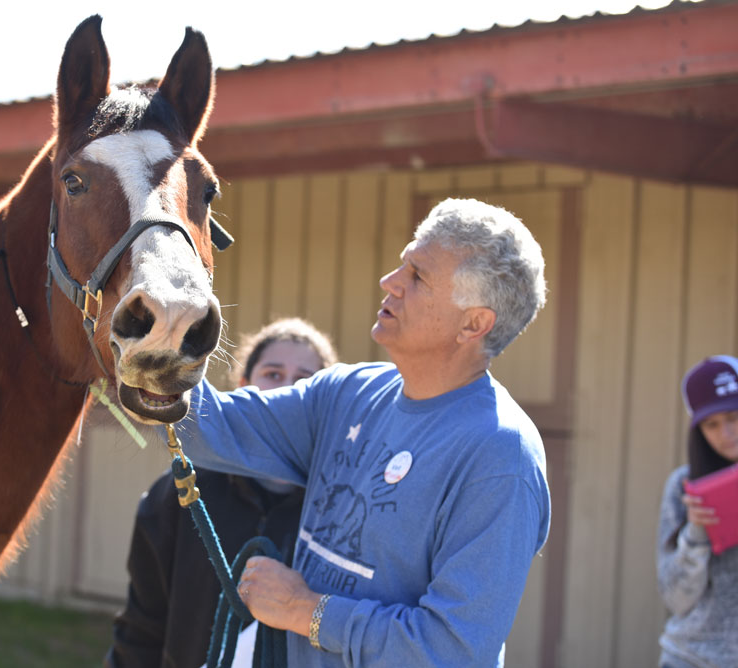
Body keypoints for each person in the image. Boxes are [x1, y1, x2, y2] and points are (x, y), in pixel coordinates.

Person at [173, 197, 550, 667]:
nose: (389, 282)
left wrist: (305, 611)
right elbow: (211, 428)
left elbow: (451, 652)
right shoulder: (349, 392)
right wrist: (157, 338)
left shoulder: (501, 457)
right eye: (402, 264)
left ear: (474, 324)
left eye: (417, 276)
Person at [105, 318, 338, 668]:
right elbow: (141, 630)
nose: (286, 391)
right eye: (273, 374)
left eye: (304, 383)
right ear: (244, 385)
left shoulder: (339, 508)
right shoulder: (179, 495)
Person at [657, 355, 738, 668]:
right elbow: (676, 598)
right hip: (691, 659)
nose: (725, 433)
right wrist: (696, 533)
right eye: (711, 424)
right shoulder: (683, 487)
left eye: (733, 417)